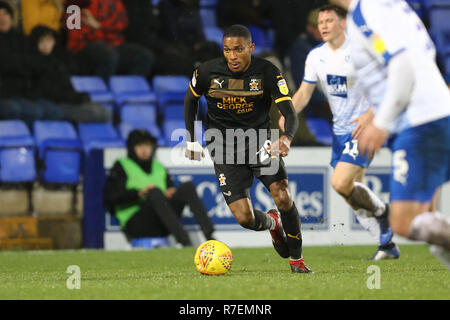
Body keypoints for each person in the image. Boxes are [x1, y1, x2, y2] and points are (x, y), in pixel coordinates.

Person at [330, 0, 450, 268]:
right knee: (425, 224)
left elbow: (403, 64)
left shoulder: (366, 11)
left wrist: (381, 123)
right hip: (434, 114)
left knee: (405, 221)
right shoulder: (388, 5)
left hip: (421, 121)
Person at [184, 24, 312, 273]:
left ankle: (297, 260)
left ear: (251, 48)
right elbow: (191, 100)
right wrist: (191, 139)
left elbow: (289, 111)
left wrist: (286, 138)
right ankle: (273, 223)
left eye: (238, 50)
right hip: (223, 146)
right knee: (245, 218)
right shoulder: (207, 71)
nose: (232, 56)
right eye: (227, 50)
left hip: (259, 141)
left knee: (283, 195)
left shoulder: (268, 72)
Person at [280, 4, 399, 260]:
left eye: (329, 20)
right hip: (339, 131)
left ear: (343, 23)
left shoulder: (361, 51)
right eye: (320, 21)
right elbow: (303, 93)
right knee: (350, 191)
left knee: (340, 183)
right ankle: (386, 242)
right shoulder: (315, 56)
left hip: (363, 129)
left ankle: (382, 214)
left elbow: (389, 80)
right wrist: (288, 113)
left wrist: (371, 115)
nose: (323, 25)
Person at [104, 129, 216, 247]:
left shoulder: (158, 167)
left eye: (147, 145)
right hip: (136, 223)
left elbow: (169, 186)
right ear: (132, 148)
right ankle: (185, 242)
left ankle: (210, 237)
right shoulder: (122, 166)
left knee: (187, 187)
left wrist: (171, 191)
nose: (144, 150)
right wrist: (139, 193)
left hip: (162, 221)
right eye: (139, 145)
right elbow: (110, 196)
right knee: (154, 192)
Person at [65, 0, 155, 81]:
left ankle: (128, 93)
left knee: (144, 56)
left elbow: (122, 23)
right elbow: (74, 35)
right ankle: (99, 94)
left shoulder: (114, 2)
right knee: (108, 55)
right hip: (86, 45)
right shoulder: (75, 4)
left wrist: (99, 26)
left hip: (113, 43)